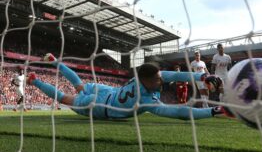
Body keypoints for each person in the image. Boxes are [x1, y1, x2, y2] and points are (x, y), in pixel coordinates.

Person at [27, 53, 233, 120]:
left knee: (79, 84)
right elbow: (179, 111)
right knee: (65, 98)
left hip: (108, 92)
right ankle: (34, 81)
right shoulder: (146, 101)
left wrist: (203, 76)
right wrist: (215, 110)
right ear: (148, 80)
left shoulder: (141, 78)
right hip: (100, 106)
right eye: (158, 80)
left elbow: (172, 74)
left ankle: (55, 62)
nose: (161, 81)